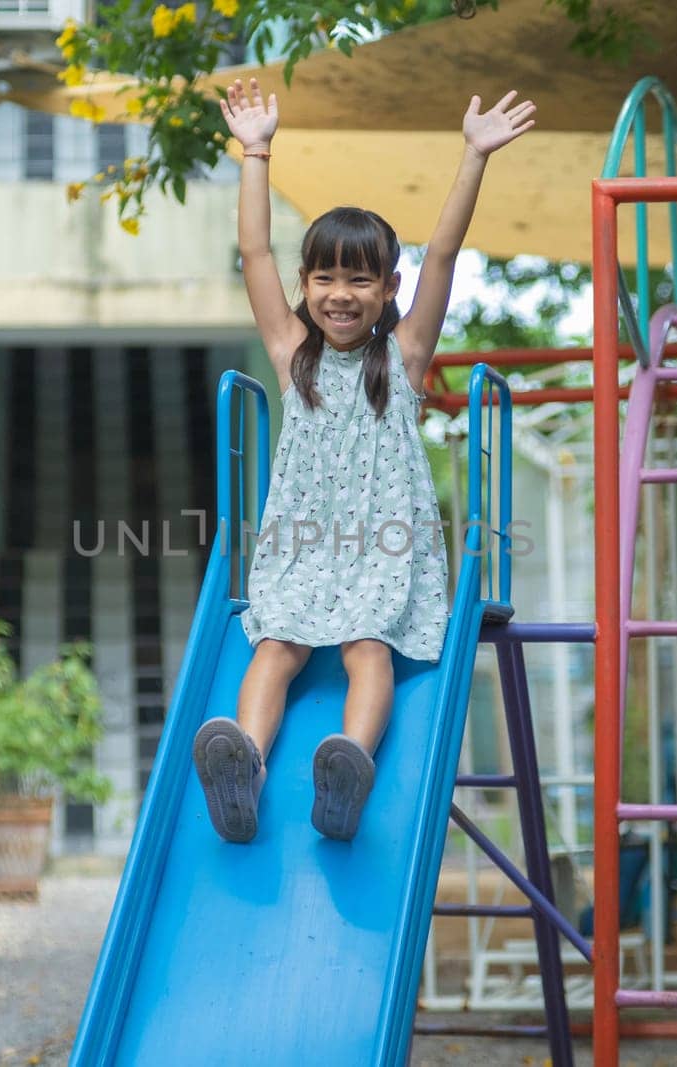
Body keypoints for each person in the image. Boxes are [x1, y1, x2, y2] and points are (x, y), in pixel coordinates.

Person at [192, 77, 535, 844]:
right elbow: (253, 250)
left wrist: (474, 156)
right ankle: (243, 765)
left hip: (383, 546)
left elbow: (444, 252)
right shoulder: (291, 354)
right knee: (276, 644)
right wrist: (255, 150)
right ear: (307, 284)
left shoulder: (405, 357)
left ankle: (349, 765)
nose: (339, 294)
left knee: (366, 646)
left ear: (388, 290)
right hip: (303, 543)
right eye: (324, 276)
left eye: (359, 279)